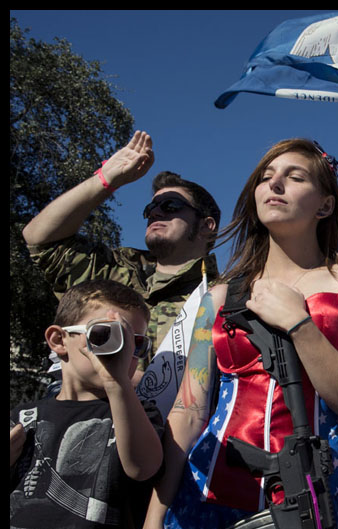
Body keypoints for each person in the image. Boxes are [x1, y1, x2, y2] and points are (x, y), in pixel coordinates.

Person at [130, 138, 338, 529]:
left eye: (295, 175)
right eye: (268, 174)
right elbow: (187, 417)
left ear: (325, 203)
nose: (275, 182)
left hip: (307, 515)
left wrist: (300, 324)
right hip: (204, 514)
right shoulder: (217, 296)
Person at [10, 279, 164, 529]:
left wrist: (117, 383)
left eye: (136, 343)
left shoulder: (139, 414)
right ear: (59, 340)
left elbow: (143, 467)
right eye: (105, 335)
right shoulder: (20, 419)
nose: (123, 350)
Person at [22, 131, 222, 379]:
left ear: (206, 226)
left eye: (170, 206)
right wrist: (106, 179)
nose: (155, 213)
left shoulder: (225, 298)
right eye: (151, 208)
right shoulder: (108, 272)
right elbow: (40, 239)